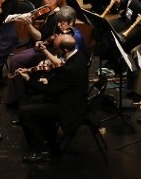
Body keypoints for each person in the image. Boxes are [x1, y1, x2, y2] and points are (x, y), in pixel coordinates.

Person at [17, 34, 88, 162]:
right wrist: (49, 80)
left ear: (64, 50)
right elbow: (63, 83)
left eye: (56, 49)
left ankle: (43, 149)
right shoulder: (80, 56)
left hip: (68, 109)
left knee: (25, 112)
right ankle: (47, 136)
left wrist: (28, 79)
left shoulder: (70, 69)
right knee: (34, 101)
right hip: (73, 98)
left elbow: (50, 91)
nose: (55, 52)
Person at [3, 0, 69, 107]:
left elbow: (40, 36)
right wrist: (30, 17)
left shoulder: (57, 16)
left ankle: (21, 99)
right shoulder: (48, 12)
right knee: (15, 59)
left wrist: (28, 24)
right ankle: (16, 95)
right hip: (40, 46)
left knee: (16, 61)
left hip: (47, 51)